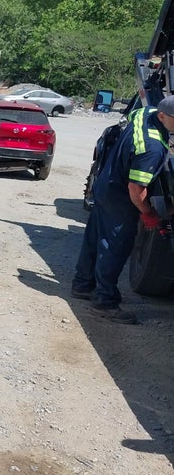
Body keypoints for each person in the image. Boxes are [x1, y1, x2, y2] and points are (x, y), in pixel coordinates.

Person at [71, 96, 174, 324]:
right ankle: (104, 302)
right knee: (115, 247)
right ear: (162, 116)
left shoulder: (144, 113)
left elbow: (137, 109)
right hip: (121, 198)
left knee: (94, 237)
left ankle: (83, 284)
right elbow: (136, 190)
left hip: (105, 184)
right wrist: (148, 213)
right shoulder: (152, 148)